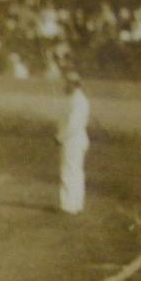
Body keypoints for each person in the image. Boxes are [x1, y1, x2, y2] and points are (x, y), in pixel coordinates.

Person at [56, 72, 90, 214]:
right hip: (74, 140)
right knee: (75, 172)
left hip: (72, 140)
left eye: (67, 83)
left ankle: (68, 206)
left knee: (69, 172)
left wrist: (60, 137)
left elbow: (73, 125)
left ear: (73, 84)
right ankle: (75, 204)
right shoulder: (76, 99)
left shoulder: (78, 101)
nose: (64, 86)